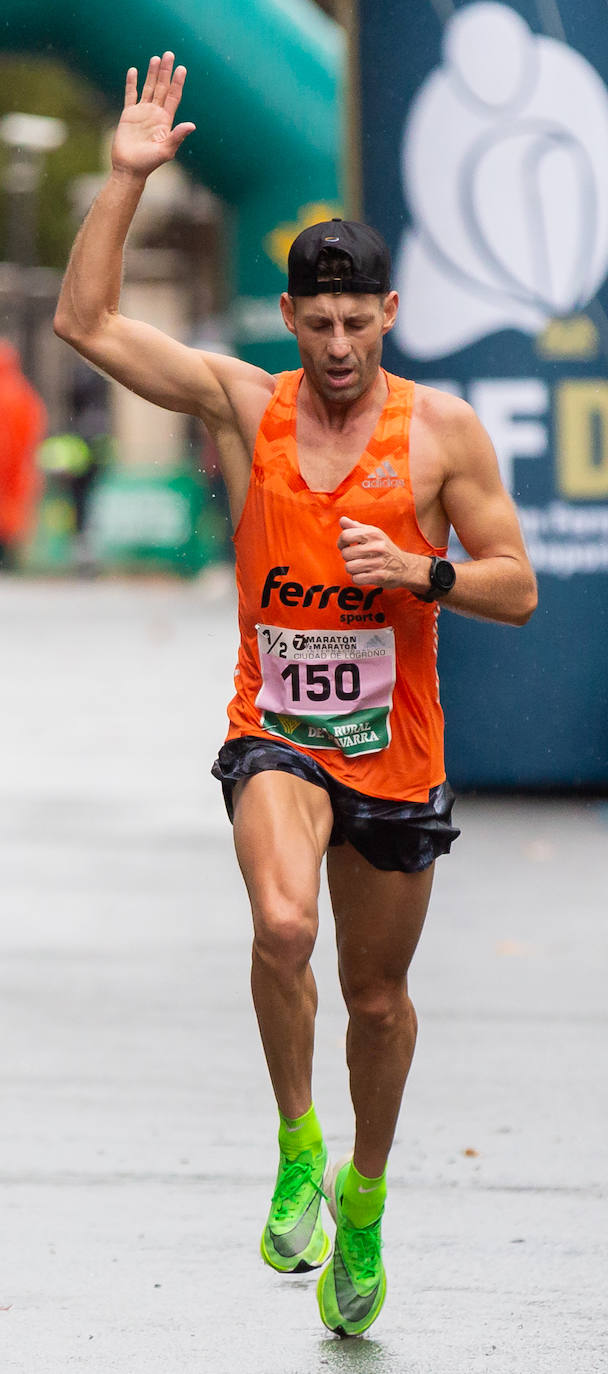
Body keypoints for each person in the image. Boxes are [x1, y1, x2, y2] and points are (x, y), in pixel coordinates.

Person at [54, 53, 538, 1338]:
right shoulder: (243, 403)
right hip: (275, 730)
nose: (334, 348)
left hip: (392, 751)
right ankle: (292, 1146)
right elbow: (85, 328)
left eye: (355, 325)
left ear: (387, 310)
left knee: (376, 1000)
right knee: (280, 927)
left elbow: (515, 587)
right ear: (287, 316)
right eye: (313, 326)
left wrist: (423, 572)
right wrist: (120, 179)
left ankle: (363, 1199)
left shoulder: (439, 436)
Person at [0, 341, 46, 570]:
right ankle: (11, 562)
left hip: (7, 471)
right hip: (20, 471)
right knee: (13, 518)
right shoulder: (25, 393)